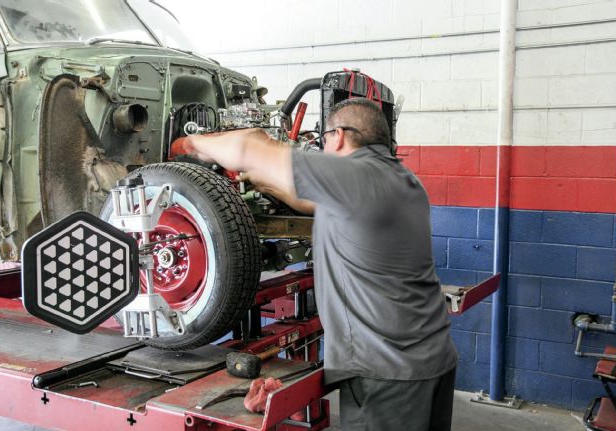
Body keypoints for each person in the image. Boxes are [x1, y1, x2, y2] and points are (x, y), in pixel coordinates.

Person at [175, 98, 458, 431]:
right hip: (433, 359)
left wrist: (190, 143)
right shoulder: (401, 181)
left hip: (387, 374)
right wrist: (260, 181)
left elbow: (247, 145)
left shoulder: (355, 175)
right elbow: (307, 201)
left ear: (337, 136)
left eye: (323, 141)